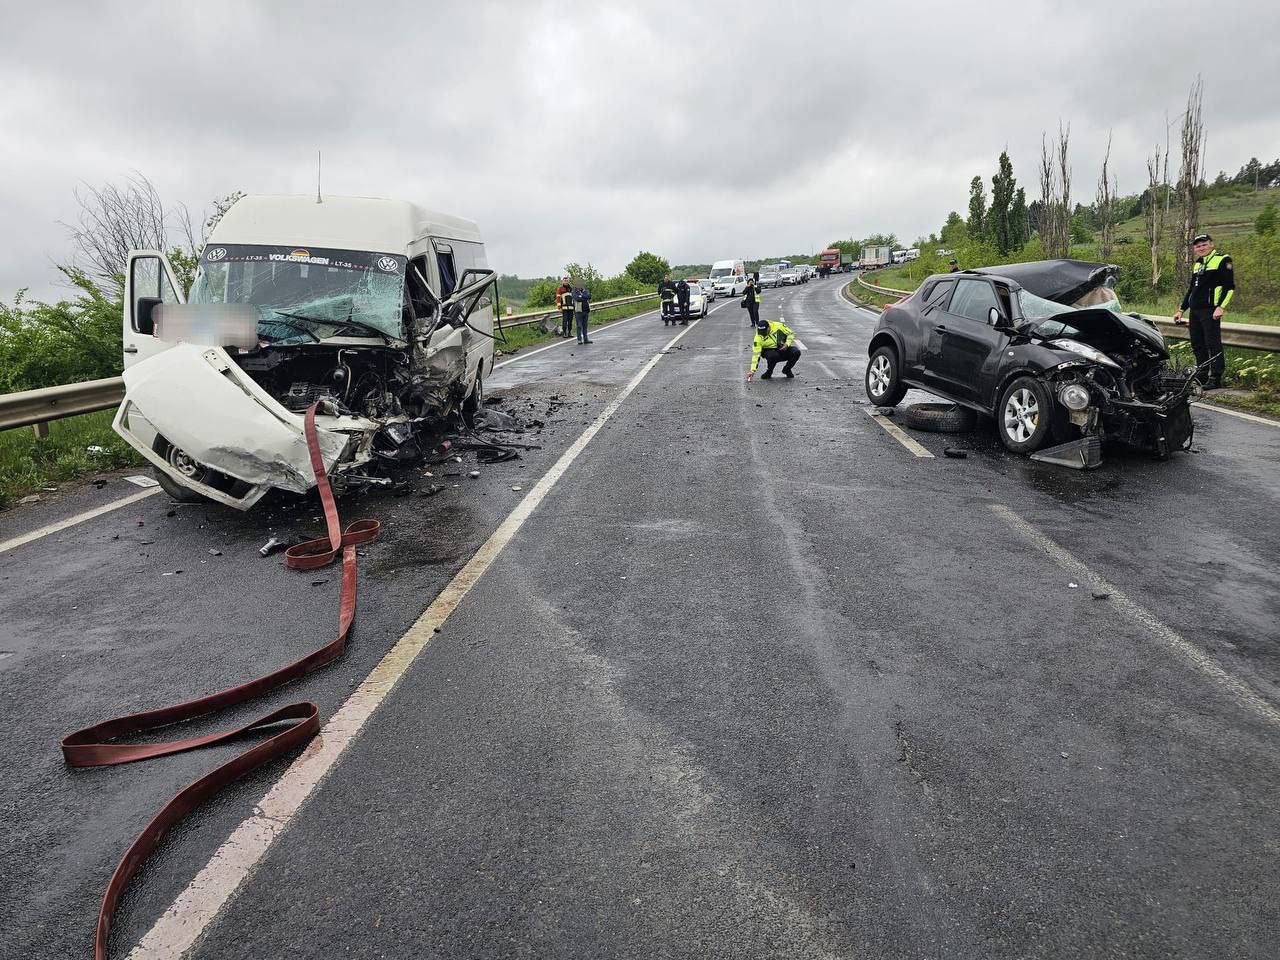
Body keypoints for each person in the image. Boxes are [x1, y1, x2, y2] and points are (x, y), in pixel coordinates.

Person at [1173, 233, 1234, 389]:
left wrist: (1221, 307)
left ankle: (1215, 378)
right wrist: (1181, 310)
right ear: (1194, 249)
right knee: (1197, 344)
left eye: (1204, 244)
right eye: (1198, 246)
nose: (1201, 248)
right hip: (1195, 310)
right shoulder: (1198, 263)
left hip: (1210, 310)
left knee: (1213, 344)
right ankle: (1201, 375)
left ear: (1211, 244)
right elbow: (1191, 289)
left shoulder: (1223, 260)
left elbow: (1229, 287)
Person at [746, 315, 800, 381]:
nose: (763, 335)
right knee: (773, 355)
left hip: (782, 347)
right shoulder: (758, 338)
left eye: (764, 332)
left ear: (769, 328)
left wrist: (787, 344)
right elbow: (756, 354)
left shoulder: (778, 326)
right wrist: (752, 370)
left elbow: (791, 333)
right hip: (769, 351)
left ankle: (787, 369)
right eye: (761, 333)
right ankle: (769, 371)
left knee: (796, 352)